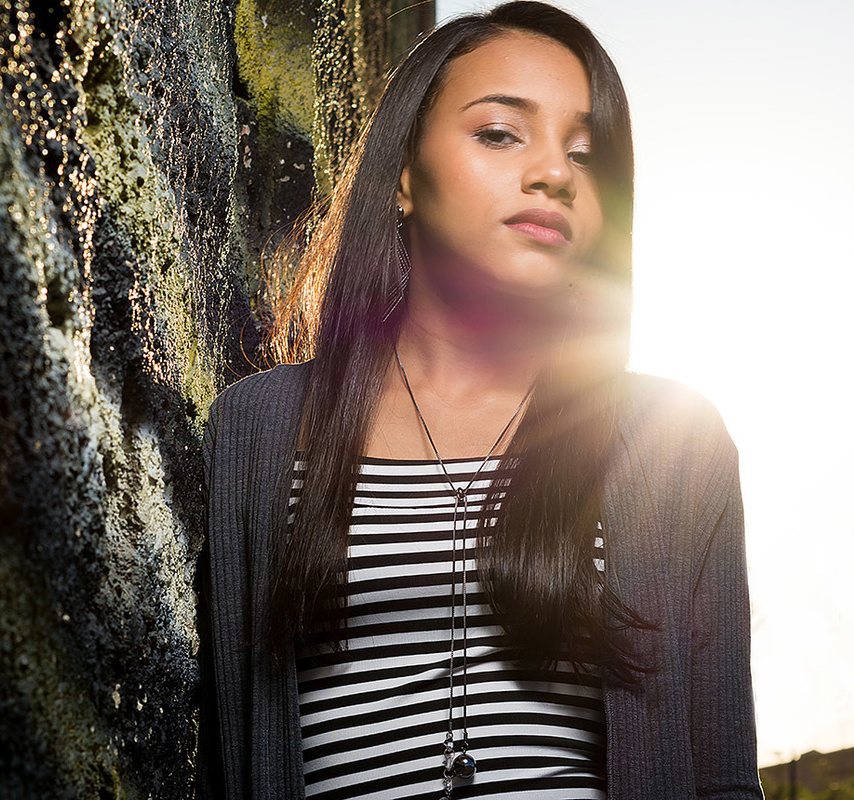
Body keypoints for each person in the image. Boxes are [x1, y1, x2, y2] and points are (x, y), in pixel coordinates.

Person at [201, 2, 762, 798]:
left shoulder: (674, 441)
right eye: (500, 133)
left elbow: (722, 777)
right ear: (402, 175)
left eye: (587, 154)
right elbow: (228, 759)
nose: (555, 173)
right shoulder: (255, 431)